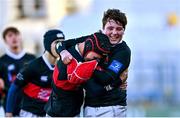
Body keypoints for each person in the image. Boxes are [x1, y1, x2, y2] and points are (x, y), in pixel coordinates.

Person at [56, 9, 131, 117]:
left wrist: (83, 64)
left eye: (119, 29)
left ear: (124, 31)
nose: (114, 33)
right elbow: (61, 44)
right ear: (103, 28)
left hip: (111, 107)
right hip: (90, 106)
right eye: (110, 28)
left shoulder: (123, 51)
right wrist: (63, 53)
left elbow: (106, 78)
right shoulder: (94, 40)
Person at [45, 32, 112, 117]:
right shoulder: (75, 64)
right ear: (88, 47)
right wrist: (116, 83)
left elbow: (61, 44)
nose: (97, 61)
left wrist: (62, 51)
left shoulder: (84, 43)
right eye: (95, 58)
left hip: (64, 107)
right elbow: (96, 90)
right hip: (62, 113)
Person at [5, 29, 65, 117]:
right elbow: (13, 88)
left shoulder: (62, 66)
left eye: (62, 43)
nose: (60, 46)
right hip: (30, 114)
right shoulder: (33, 66)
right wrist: (8, 112)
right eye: (57, 42)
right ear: (48, 45)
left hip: (50, 114)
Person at [0, 27, 36, 116]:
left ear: (20, 37)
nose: (14, 37)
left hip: (31, 107)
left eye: (16, 34)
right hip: (10, 109)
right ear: (5, 40)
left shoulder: (32, 58)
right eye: (10, 35)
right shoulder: (1, 61)